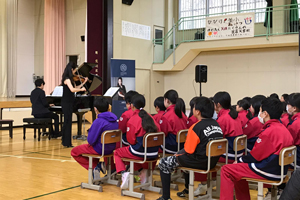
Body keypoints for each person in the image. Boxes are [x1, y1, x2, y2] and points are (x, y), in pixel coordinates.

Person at [220, 97, 293, 200]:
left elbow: (255, 156)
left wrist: (240, 160)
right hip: (280, 170)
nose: (259, 114)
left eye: (260, 111)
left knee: (226, 170)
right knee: (237, 170)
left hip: (269, 170)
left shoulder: (269, 132)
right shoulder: (283, 129)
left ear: (265, 113)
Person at [157, 97, 223, 200]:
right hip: (212, 161)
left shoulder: (196, 127)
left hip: (199, 162)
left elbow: (188, 150)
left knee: (164, 162)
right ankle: (187, 189)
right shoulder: (217, 125)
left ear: (197, 112)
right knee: (182, 160)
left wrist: (176, 155)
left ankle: (166, 197)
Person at [190, 91, 243, 196]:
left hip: (229, 155)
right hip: (238, 153)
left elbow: (215, 138)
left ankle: (204, 183)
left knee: (199, 154)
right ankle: (212, 180)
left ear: (218, 104)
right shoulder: (234, 116)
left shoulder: (223, 119)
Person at [113, 94, 161, 189]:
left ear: (132, 105)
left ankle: (124, 173)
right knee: (137, 151)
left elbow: (131, 140)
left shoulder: (133, 120)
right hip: (154, 153)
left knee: (118, 153)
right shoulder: (151, 118)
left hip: (140, 152)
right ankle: (143, 173)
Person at [71, 97, 118, 180]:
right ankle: (106, 168)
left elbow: (90, 141)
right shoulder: (114, 119)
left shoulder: (98, 121)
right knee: (95, 150)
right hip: (111, 148)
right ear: (108, 107)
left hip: (100, 149)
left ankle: (96, 166)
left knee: (74, 152)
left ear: (95, 109)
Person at [61, 62, 87, 147]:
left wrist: (83, 84)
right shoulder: (67, 79)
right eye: (75, 70)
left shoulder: (71, 79)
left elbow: (76, 88)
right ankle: (66, 142)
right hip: (66, 102)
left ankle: (66, 141)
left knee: (68, 121)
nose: (75, 72)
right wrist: (80, 90)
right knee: (67, 122)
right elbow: (72, 90)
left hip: (70, 102)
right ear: (71, 69)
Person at [160, 89, 188, 154]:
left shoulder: (166, 116)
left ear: (167, 100)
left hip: (171, 146)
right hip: (182, 146)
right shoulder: (182, 113)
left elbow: (163, 134)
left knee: (151, 146)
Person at [286, 93, 300, 168]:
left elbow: (290, 142)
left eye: (288, 104)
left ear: (294, 108)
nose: (287, 106)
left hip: (298, 157)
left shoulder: (295, 123)